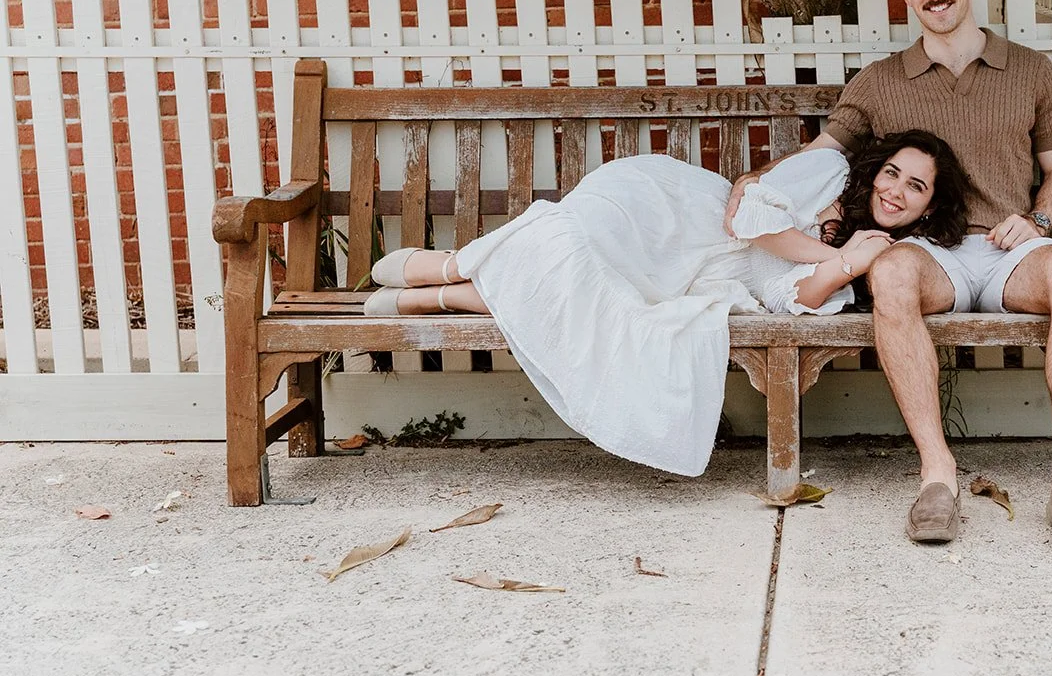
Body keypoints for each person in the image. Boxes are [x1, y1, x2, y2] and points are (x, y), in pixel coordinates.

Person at [725, 0, 1052, 552]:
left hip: (1013, 251)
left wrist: (1036, 221)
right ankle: (938, 477)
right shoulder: (880, 82)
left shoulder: (1030, 72)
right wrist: (754, 177)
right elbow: (820, 151)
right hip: (934, 253)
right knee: (892, 270)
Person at [362, 130, 972, 478]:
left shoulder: (869, 256)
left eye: (915, 187)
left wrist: (848, 263)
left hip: (695, 273)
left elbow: (793, 298)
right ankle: (447, 265)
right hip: (673, 212)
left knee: (577, 293)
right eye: (893, 172)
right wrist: (830, 253)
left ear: (928, 208)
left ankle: (434, 291)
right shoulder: (829, 172)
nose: (896, 190)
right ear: (876, 167)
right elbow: (752, 220)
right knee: (569, 242)